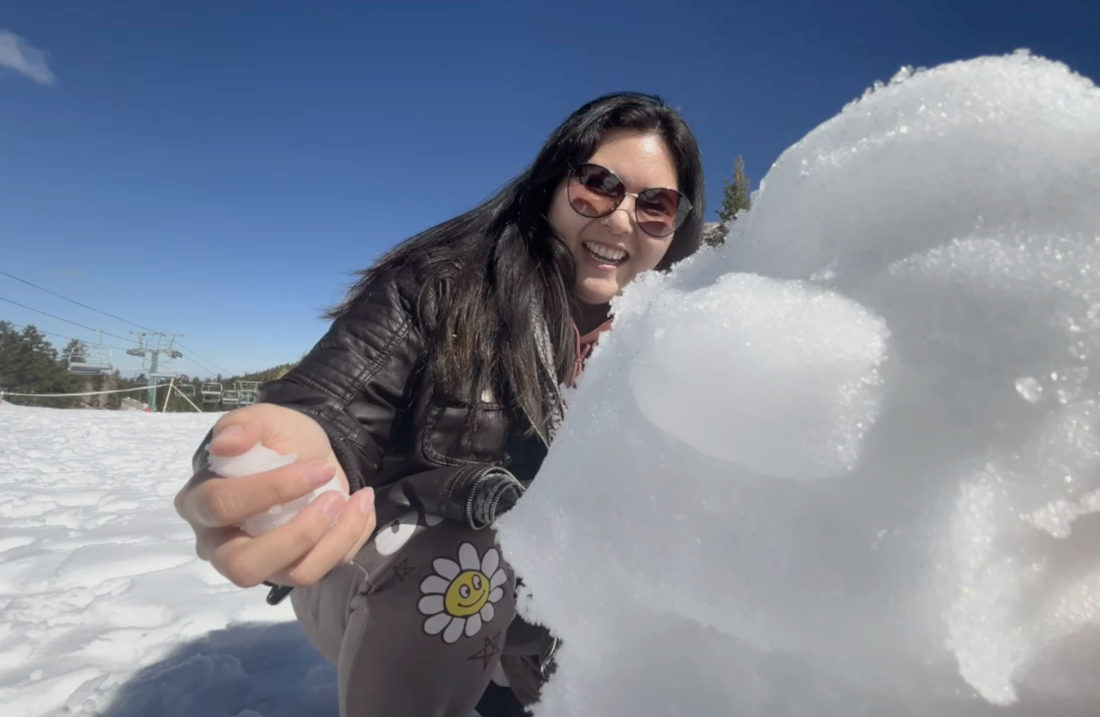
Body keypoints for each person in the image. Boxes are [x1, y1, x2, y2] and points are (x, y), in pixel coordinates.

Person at [173, 92, 705, 717]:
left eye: (655, 205)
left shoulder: (679, 345)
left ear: (676, 228)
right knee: (466, 559)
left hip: (545, 620)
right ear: (553, 185)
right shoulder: (442, 288)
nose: (620, 220)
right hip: (390, 583)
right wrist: (279, 457)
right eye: (598, 185)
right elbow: (336, 402)